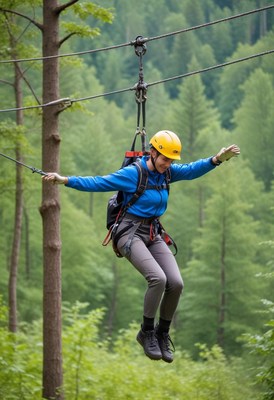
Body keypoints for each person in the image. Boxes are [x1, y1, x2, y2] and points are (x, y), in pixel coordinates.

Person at [42, 130, 240, 363]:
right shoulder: (133, 174)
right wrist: (65, 180)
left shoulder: (166, 173)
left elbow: (190, 170)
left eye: (170, 160)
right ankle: (146, 332)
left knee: (176, 283)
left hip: (153, 232)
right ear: (153, 153)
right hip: (128, 232)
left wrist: (216, 160)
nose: (168, 164)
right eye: (164, 159)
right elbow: (99, 182)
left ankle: (162, 334)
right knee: (158, 278)